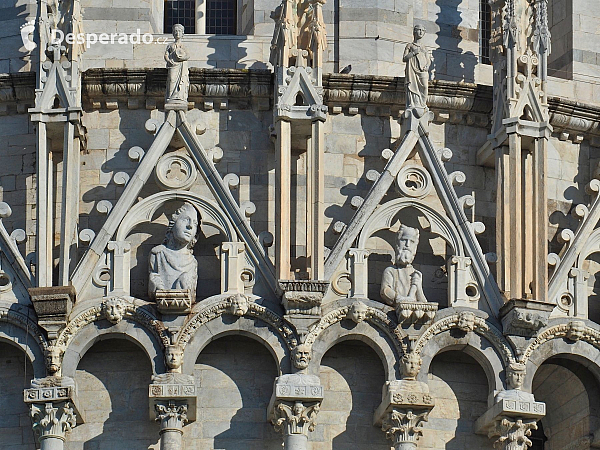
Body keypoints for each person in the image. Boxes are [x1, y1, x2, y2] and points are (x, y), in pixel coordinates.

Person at [148, 202, 199, 299]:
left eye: (195, 223)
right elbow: (153, 280)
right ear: (173, 224)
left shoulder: (193, 262)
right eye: (185, 220)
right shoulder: (158, 253)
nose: (190, 226)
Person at [380, 225, 427, 305]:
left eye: (411, 241)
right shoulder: (390, 270)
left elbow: (423, 302)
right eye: (404, 240)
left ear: (415, 247)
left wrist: (418, 287)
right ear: (398, 243)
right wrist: (401, 299)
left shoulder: (415, 273)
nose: (407, 245)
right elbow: (385, 290)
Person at [403, 24, 431, 112]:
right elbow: (404, 58)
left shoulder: (424, 47)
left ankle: (423, 104)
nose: (421, 32)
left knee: (425, 87)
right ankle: (414, 103)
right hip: (412, 70)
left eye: (423, 30)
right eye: (419, 30)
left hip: (422, 70)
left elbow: (428, 60)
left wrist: (427, 66)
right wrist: (413, 53)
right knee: (412, 86)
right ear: (414, 32)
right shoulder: (410, 45)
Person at [165, 24, 190, 106]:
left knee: (181, 81)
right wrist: (168, 60)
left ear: (182, 33)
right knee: (172, 79)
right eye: (175, 31)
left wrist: (181, 58)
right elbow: (166, 55)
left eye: (179, 31)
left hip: (181, 65)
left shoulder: (183, 46)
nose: (177, 33)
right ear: (173, 33)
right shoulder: (170, 45)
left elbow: (187, 55)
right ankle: (171, 96)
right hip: (173, 65)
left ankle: (179, 96)